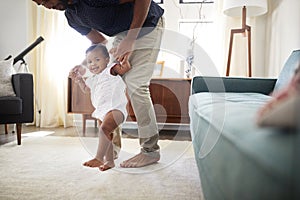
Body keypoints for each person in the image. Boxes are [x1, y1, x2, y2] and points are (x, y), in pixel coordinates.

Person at [32, 0, 164, 168]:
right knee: (111, 83)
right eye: (39, 4)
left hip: (146, 26)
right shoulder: (72, 17)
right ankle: (111, 148)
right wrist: (85, 66)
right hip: (121, 35)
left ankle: (150, 151)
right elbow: (100, 44)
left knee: (136, 86)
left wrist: (131, 39)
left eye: (43, 0)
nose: (45, 6)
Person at [69, 44, 130, 171]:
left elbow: (124, 69)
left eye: (97, 60)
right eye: (89, 61)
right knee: (106, 135)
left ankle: (98, 157)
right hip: (101, 111)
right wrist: (80, 80)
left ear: (107, 60)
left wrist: (125, 60)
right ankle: (109, 161)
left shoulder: (110, 69)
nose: (93, 64)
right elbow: (86, 90)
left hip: (115, 108)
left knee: (104, 130)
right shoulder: (92, 79)